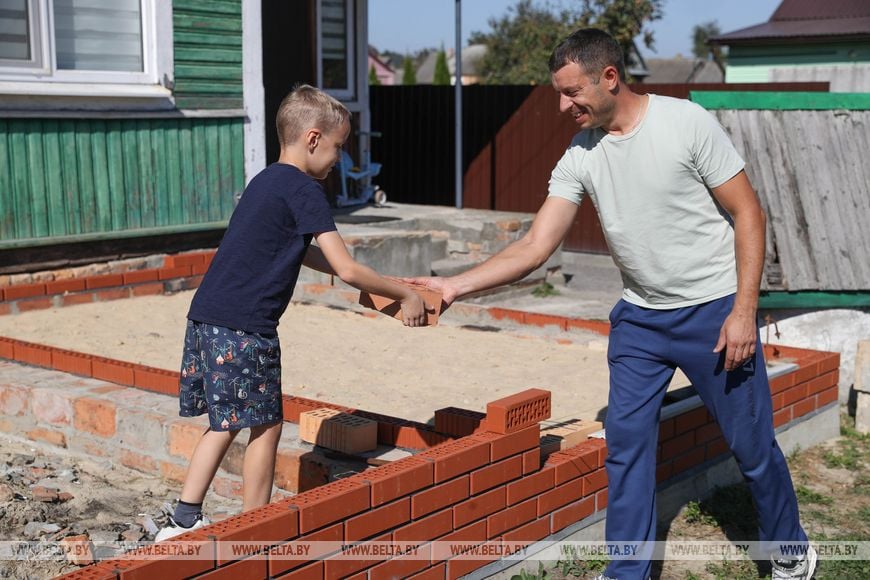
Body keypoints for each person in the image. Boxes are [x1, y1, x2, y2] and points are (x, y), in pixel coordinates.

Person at [408, 29, 815, 580]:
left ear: (609, 77)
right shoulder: (581, 155)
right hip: (640, 321)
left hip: (714, 313)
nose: (562, 106)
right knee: (626, 450)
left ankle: (790, 551)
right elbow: (535, 246)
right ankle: (627, 572)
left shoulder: (685, 123)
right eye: (559, 93)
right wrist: (455, 286)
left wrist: (744, 312)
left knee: (752, 448)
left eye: (571, 92)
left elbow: (749, 213)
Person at [156, 84, 429, 541]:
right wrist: (405, 293)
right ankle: (256, 530)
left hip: (208, 317)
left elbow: (301, 251)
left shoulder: (266, 180)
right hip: (246, 329)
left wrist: (378, 285)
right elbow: (347, 268)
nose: (340, 158)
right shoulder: (305, 190)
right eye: (338, 147)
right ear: (313, 139)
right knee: (264, 425)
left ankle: (184, 518)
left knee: (226, 422)